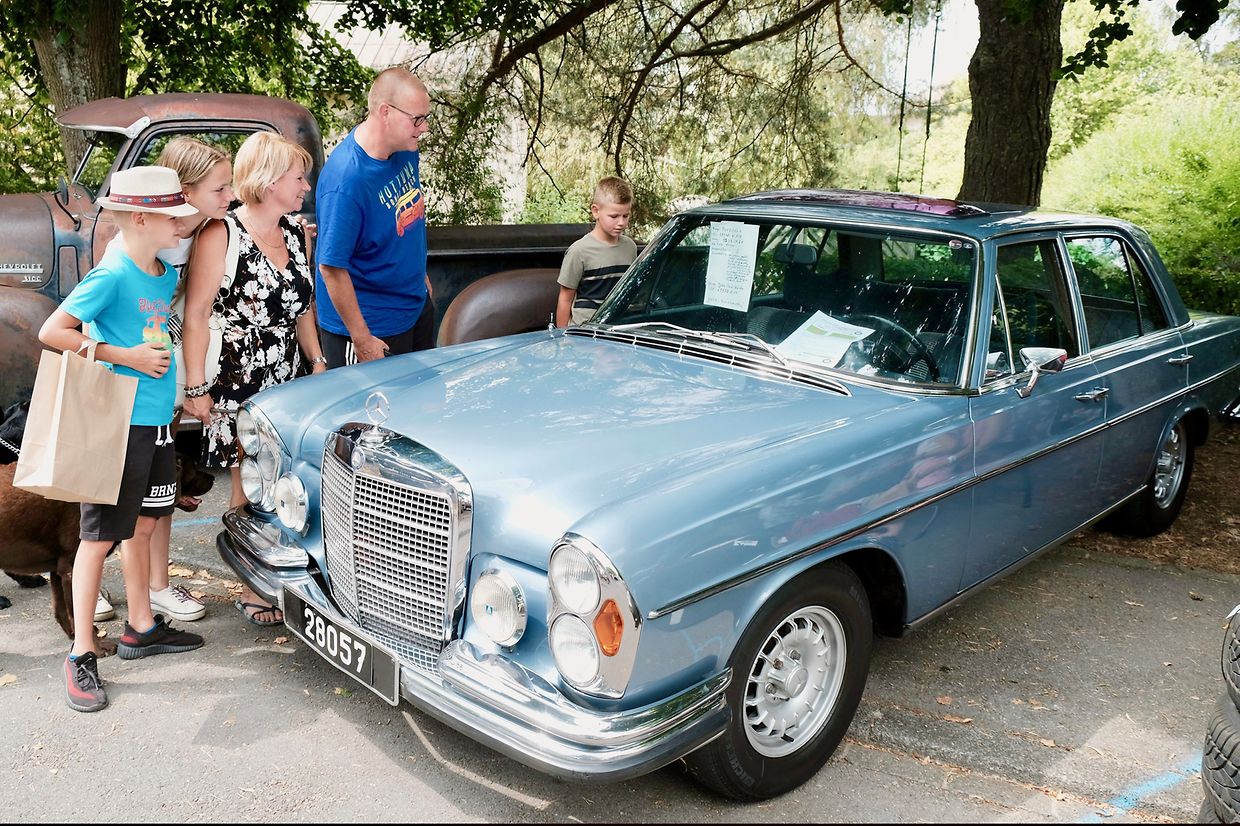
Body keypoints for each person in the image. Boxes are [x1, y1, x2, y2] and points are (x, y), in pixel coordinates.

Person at [39, 165, 206, 713]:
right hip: (118, 426)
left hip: (157, 422)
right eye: (173, 216)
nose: (182, 224)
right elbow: (53, 331)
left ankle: (139, 626)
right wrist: (123, 356)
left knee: (144, 523)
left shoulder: (159, 272)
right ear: (140, 218)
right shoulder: (111, 275)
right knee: (99, 537)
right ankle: (81, 652)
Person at [181, 131, 327, 626]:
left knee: (288, 475)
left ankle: (288, 569)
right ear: (267, 180)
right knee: (249, 476)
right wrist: (197, 387)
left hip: (288, 373)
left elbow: (302, 305)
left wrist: (318, 362)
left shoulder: (292, 232)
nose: (306, 185)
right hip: (238, 373)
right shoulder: (221, 234)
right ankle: (252, 583)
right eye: (299, 176)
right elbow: (197, 314)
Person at [94, 137, 234, 626]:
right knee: (112, 484)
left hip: (162, 371)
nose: (231, 196)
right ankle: (88, 574)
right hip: (124, 375)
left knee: (160, 481)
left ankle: (156, 586)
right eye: (221, 187)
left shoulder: (204, 232)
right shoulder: (134, 246)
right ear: (186, 190)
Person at [315, 67, 435, 367]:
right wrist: (362, 338)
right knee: (370, 415)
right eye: (417, 120)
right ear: (385, 113)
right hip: (372, 327)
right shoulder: (347, 181)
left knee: (418, 407)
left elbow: (405, 216)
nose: (424, 129)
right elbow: (331, 268)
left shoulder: (405, 147)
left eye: (425, 118)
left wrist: (419, 274)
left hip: (413, 307)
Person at [555, 176, 637, 327]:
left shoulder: (630, 248)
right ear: (595, 211)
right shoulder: (578, 251)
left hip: (620, 332)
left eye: (626, 216)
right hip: (585, 335)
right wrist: (562, 338)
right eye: (614, 216)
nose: (621, 222)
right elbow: (565, 299)